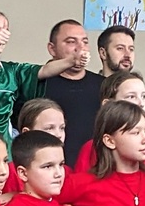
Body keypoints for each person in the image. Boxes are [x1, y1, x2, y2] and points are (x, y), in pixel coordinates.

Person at [0, 9, 76, 143]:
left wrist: (72, 60)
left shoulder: (12, 70)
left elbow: (44, 70)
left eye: (5, 31)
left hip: (6, 139)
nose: (1, 36)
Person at [42, 20, 102, 162]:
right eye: (71, 42)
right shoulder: (38, 86)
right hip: (52, 167)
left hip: (96, 168)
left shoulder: (103, 85)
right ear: (52, 49)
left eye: (85, 42)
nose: (80, 48)